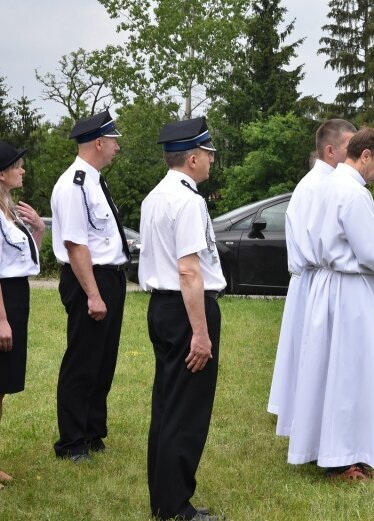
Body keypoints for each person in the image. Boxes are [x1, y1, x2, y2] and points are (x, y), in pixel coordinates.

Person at [286, 128, 374, 480]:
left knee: (327, 370)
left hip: (327, 286)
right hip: (347, 293)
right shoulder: (353, 192)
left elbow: (357, 238)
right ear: (364, 156)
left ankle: (327, 448)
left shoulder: (327, 184)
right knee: (349, 371)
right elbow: (371, 252)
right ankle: (341, 456)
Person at [139, 117, 225, 520]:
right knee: (186, 411)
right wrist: (201, 333)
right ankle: (175, 507)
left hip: (162, 306)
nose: (211, 161)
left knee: (167, 405)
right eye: (208, 154)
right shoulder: (188, 200)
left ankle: (163, 499)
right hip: (186, 307)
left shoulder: (156, 195)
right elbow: (189, 270)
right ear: (192, 158)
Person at [267, 119, 356, 436]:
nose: (356, 154)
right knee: (311, 356)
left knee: (304, 354)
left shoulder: (325, 183)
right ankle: (309, 419)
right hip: (314, 278)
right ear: (331, 151)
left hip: (312, 276)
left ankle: (301, 413)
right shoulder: (320, 185)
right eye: (350, 147)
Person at [50, 110, 129, 461]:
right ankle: (71, 442)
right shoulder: (75, 184)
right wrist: (93, 294)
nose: (116, 148)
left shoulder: (95, 180)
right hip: (89, 280)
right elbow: (75, 244)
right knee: (82, 362)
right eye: (114, 141)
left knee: (103, 360)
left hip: (109, 277)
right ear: (99, 142)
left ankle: (93, 431)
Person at [0, 142, 44, 488]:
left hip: (18, 295)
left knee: (2, 386)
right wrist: (1, 319)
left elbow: (24, 261)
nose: (23, 169)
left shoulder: (9, 208)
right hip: (3, 300)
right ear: (2, 173)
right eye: (18, 165)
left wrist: (39, 231)